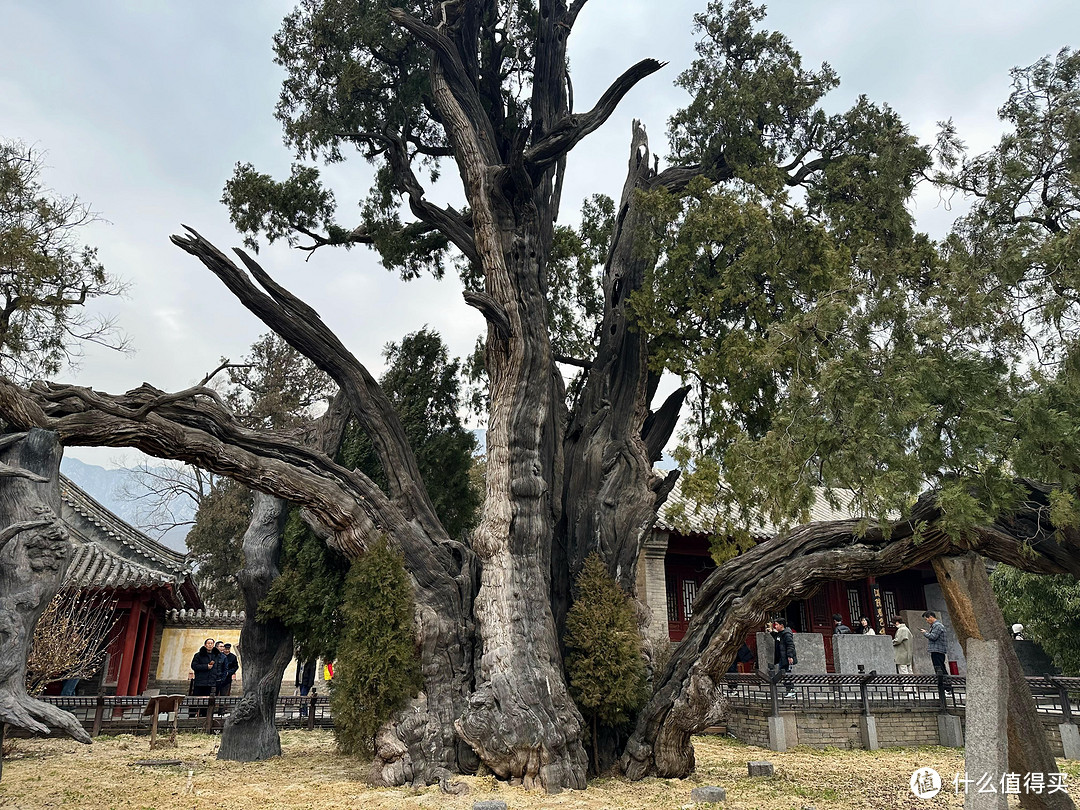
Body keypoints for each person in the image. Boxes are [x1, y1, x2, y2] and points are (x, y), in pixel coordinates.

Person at [920, 610, 951, 688]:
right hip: (937, 650)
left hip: (937, 650)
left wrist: (925, 633)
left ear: (931, 617)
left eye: (926, 619)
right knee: (940, 668)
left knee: (940, 669)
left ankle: (947, 687)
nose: (926, 621)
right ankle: (945, 687)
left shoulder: (937, 625)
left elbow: (933, 637)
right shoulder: (936, 626)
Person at [189, 638, 218, 717]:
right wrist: (206, 666)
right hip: (200, 681)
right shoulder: (198, 655)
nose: (210, 645)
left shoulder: (215, 656)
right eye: (208, 643)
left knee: (206, 701)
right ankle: (191, 716)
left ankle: (204, 716)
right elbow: (194, 666)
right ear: (205, 645)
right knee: (195, 700)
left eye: (211, 643)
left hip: (210, 682)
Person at [771, 618, 797, 698]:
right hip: (781, 658)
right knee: (783, 674)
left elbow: (790, 645)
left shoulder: (787, 634)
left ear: (781, 625)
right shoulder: (781, 633)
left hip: (786, 658)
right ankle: (789, 690)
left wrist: (790, 656)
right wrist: (771, 632)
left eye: (777, 624)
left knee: (787, 674)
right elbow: (776, 638)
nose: (775, 626)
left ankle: (791, 690)